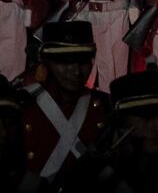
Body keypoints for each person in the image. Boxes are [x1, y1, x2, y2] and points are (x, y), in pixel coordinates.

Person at [19, 22, 108, 183]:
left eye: (83, 61)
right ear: (46, 62)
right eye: (65, 62)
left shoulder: (106, 106)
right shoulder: (23, 104)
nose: (75, 70)